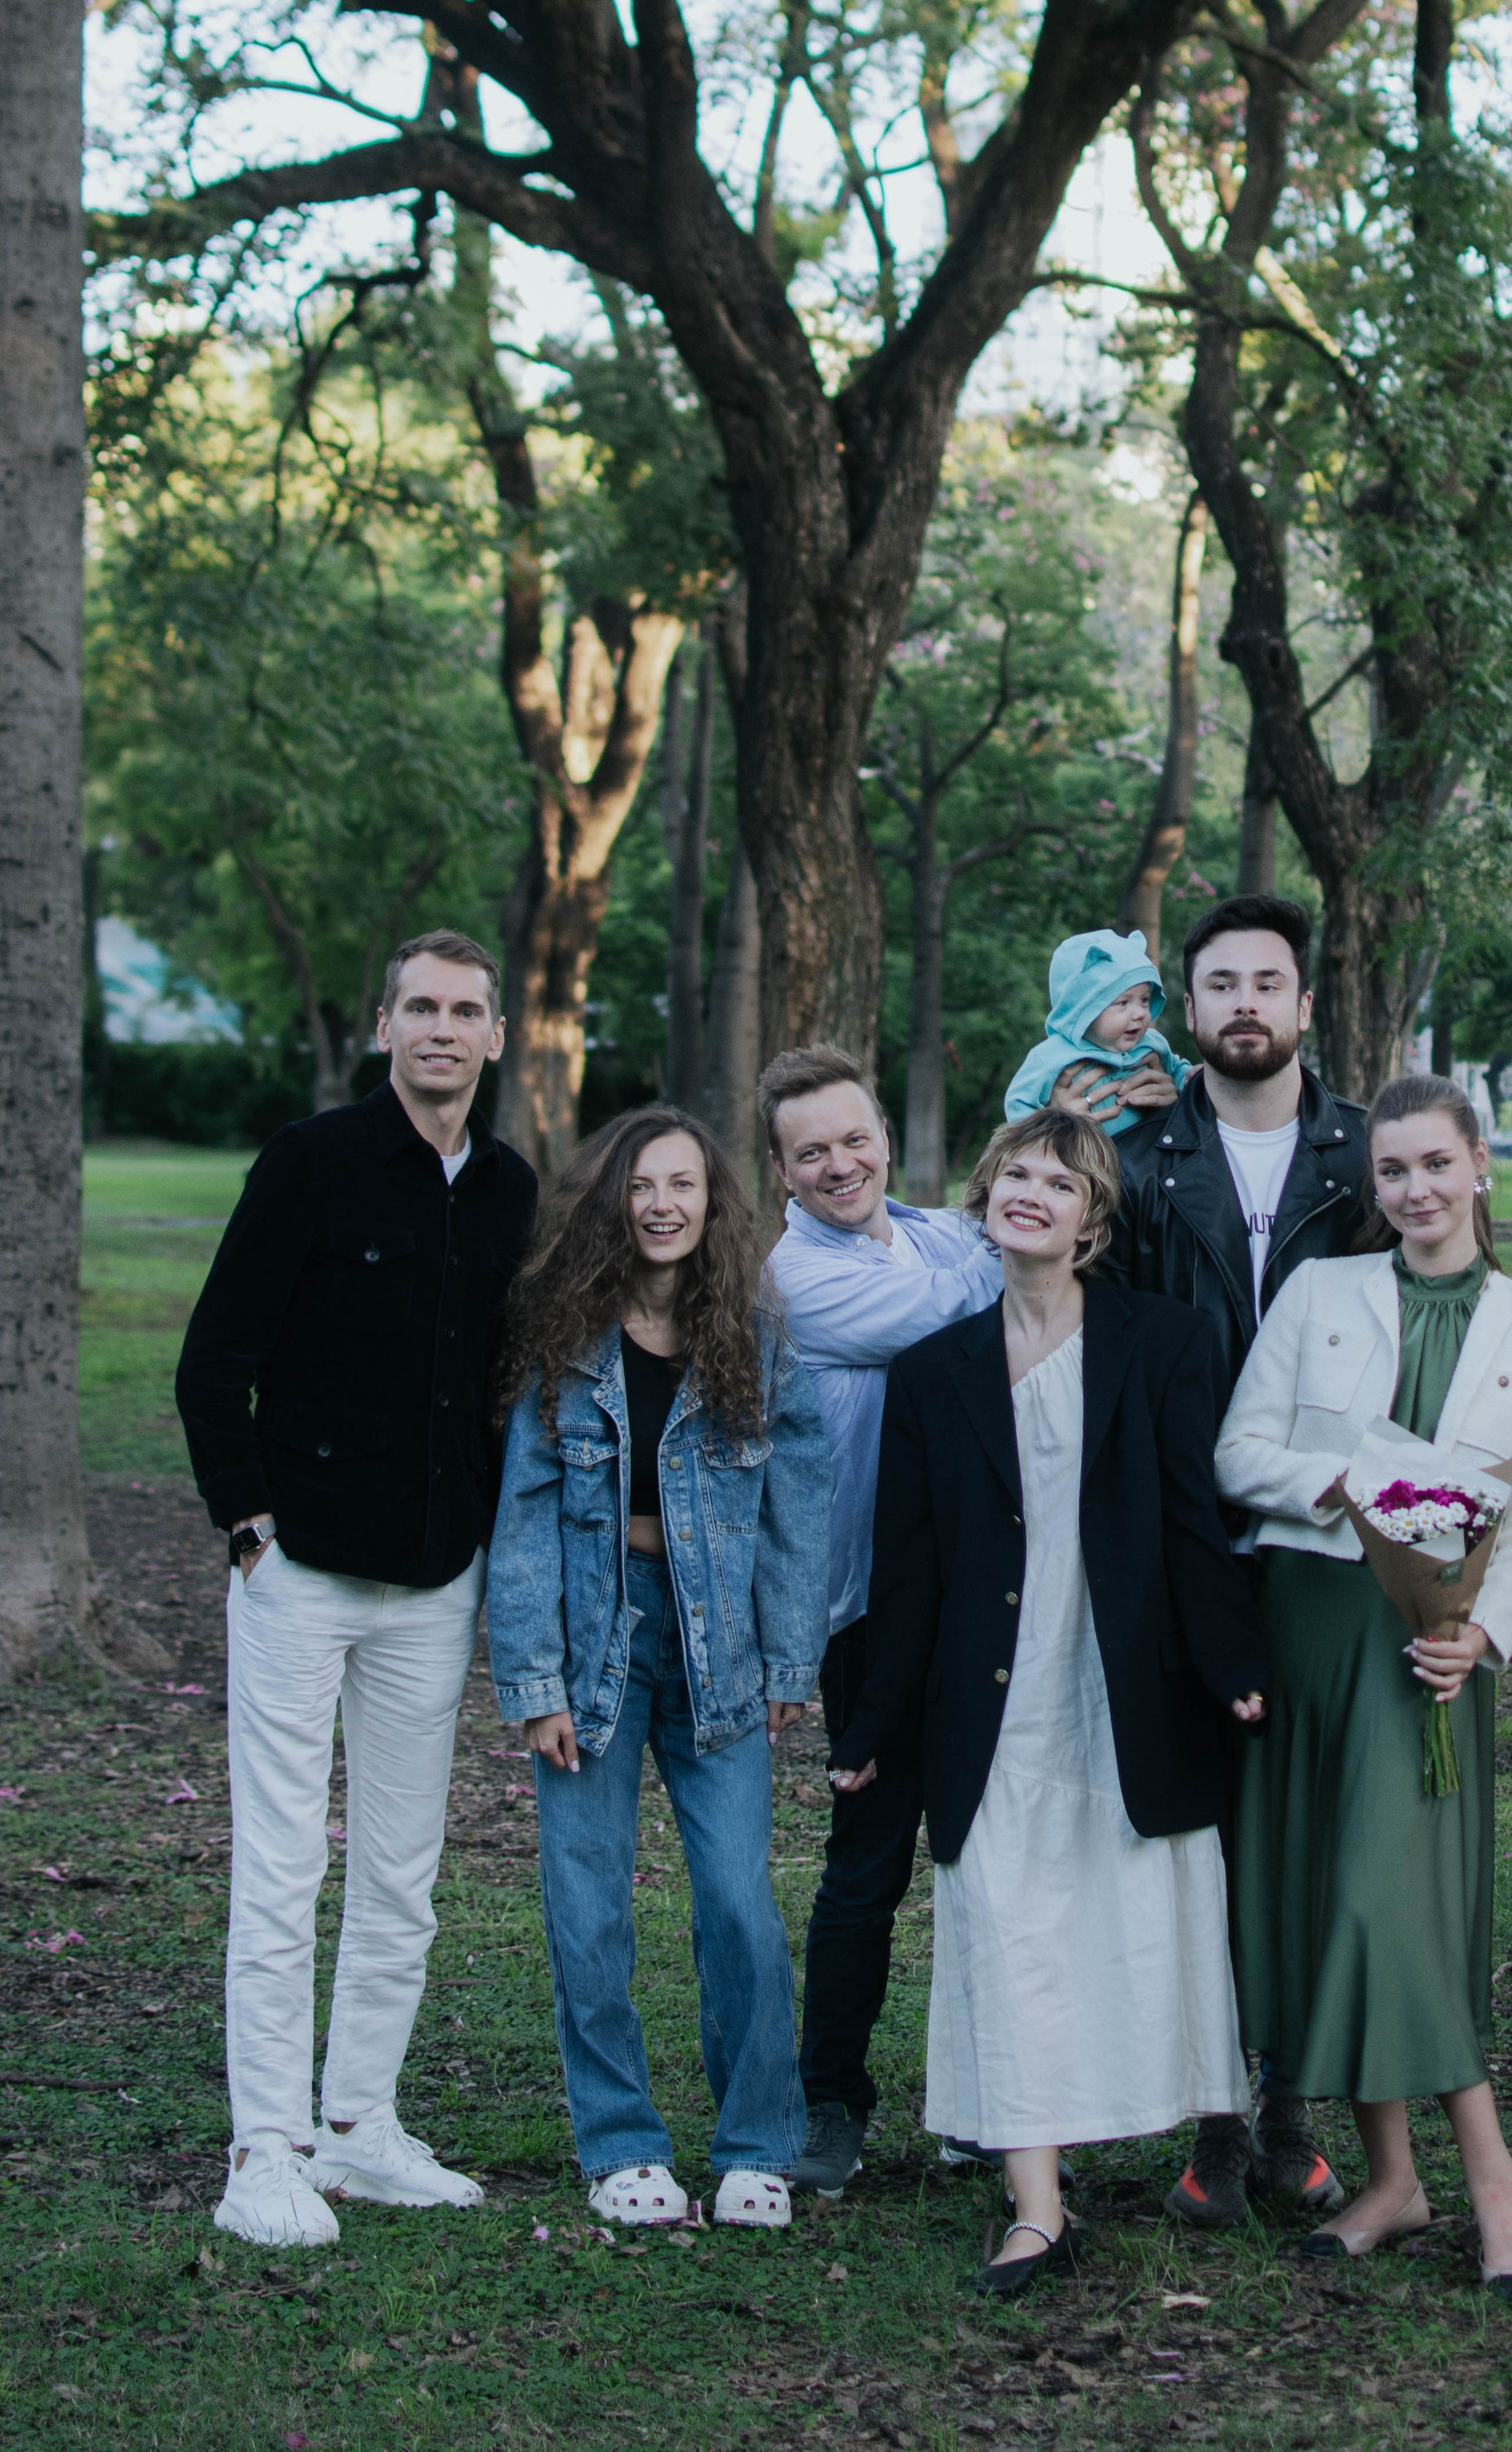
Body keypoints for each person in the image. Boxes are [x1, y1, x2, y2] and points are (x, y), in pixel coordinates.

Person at [826, 1109, 1269, 2294]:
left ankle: (1209, 2137)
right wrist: (872, 1729)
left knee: (1138, 1920)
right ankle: (1037, 2208)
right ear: (984, 1199)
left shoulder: (1165, 1343)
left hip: (1126, 1691)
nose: (1031, 1193)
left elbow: (1195, 1523)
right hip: (992, 1709)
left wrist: (1237, 1672)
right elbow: (906, 1568)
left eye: (1059, 1183)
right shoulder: (932, 1375)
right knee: (1002, 1929)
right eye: (1014, 1174)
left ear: (1092, 1223)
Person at [176, 930, 538, 2250]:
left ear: (498, 1035)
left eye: (466, 1011)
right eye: (421, 1008)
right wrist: (247, 1521)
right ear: (387, 1026)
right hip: (301, 1570)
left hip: (436, 1580)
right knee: (281, 1872)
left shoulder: (510, 1190)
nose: (443, 1030)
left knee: (402, 1876)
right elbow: (215, 1357)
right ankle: (261, 2149)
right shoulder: (311, 1164)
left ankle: (359, 2129)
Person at [1215, 1075, 1512, 2295]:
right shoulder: (1322, 1293)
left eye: (1436, 1165)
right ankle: (1393, 2183)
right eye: (1392, 1172)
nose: (1416, 1191)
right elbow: (1240, 1451)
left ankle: (1496, 2188)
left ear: (1481, 1166)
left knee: (1392, 1901)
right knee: (1333, 1898)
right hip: (1314, 1620)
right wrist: (1352, 1487)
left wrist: (1482, 1635)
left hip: (1430, 1648)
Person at [487, 1108, 830, 2227]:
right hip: (598, 1641)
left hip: (720, 1642)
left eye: (683, 1184)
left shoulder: (756, 1337)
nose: (663, 1204)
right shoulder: (564, 1337)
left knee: (739, 1903)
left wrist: (790, 1660)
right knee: (588, 1906)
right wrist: (534, 1682)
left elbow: (796, 1511)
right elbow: (525, 1513)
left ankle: (754, 2147)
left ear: (713, 1204)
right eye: (641, 1186)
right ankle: (621, 2143)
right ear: (612, 1203)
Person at [1104, 890, 1374, 2229]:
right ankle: (1213, 2117)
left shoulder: (1370, 1158)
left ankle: (1293, 2110)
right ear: (1189, 1009)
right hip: (1190, 1532)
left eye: (1270, 981)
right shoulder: (1143, 1161)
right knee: (1204, 1833)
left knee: (1310, 1833)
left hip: (1334, 1541)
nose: (1246, 1004)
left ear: (1306, 1004)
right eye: (1220, 985)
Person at [757, 1047, 1005, 2201]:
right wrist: (1027, 1240)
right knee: (868, 1866)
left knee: (991, 1864)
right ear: (782, 1172)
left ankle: (984, 2105)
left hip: (988, 1603)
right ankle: (831, 2102)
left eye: (853, 1139)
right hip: (869, 1616)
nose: (840, 1164)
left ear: (884, 1137)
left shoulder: (944, 1231)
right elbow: (968, 1316)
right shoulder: (797, 1280)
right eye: (812, 1152)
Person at [1008, 925, 1191, 1133]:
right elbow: (1019, 1104)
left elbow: (1178, 1071)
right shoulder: (1052, 1057)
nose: (1140, 1013)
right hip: (1080, 1159)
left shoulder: (1152, 1043)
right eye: (1123, 1003)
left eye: (1145, 1000)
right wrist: (1046, 1132)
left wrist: (1189, 1084)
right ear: (1084, 1009)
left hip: (1149, 1154)